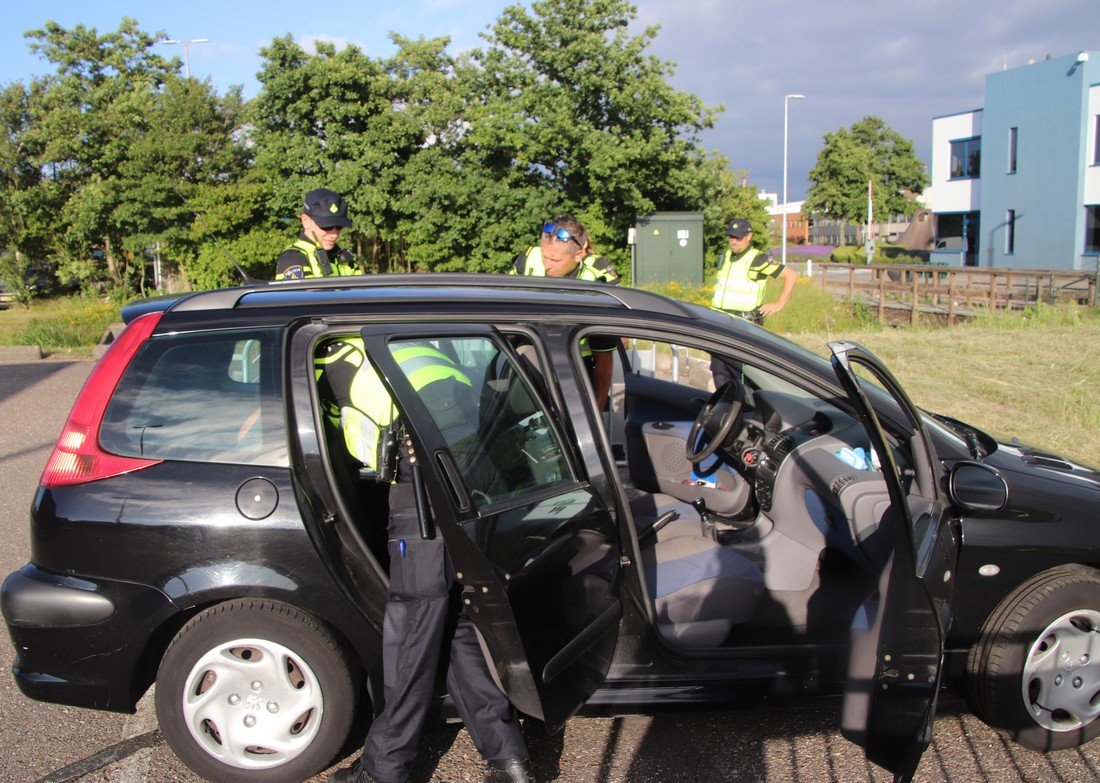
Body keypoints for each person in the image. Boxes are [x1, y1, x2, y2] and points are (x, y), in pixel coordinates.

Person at [321, 337, 533, 783]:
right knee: (456, 627)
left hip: (420, 498)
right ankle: (509, 759)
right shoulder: (404, 344)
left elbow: (347, 448)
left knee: (410, 637)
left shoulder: (337, 361)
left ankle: (385, 769)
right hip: (471, 483)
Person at [510, 215, 618, 408]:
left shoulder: (597, 281)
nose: (546, 264)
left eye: (554, 260)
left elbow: (604, 360)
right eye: (544, 256)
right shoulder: (527, 261)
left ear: (579, 255)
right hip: (529, 356)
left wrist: (597, 412)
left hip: (574, 365)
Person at [710, 217, 798, 388]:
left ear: (749, 236)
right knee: (720, 373)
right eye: (731, 237)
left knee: (741, 377)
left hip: (744, 325)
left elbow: (791, 276)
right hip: (721, 322)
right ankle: (726, 410)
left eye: (738, 237)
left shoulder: (758, 259)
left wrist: (779, 303)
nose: (733, 241)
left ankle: (746, 411)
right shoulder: (726, 256)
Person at [276, 188, 359, 280]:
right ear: (305, 221)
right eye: (326, 227)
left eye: (339, 227)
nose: (334, 234)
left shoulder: (342, 257)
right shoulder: (293, 258)